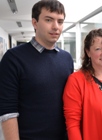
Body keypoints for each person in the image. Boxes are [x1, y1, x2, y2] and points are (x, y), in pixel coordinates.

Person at [0, 0, 73, 139]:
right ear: (35, 23)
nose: (56, 27)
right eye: (48, 20)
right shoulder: (13, 58)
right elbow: (7, 111)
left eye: (60, 21)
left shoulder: (66, 58)